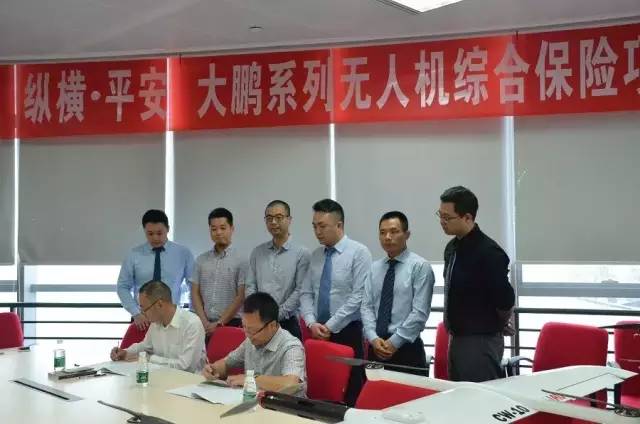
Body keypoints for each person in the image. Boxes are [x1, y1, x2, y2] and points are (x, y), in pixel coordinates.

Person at [438, 186, 515, 382]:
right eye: (440, 215)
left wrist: (499, 323)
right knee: (458, 395)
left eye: (447, 217)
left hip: (480, 340)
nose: (442, 221)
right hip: (456, 337)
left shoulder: (489, 252)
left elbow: (505, 300)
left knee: (479, 396)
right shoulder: (452, 247)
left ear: (467, 217)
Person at [300, 198, 371, 406]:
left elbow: (358, 297)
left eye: (322, 226)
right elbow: (306, 293)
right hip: (317, 332)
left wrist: (329, 326)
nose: (317, 232)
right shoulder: (315, 256)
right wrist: (311, 323)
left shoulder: (359, 253)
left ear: (339, 225)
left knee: (351, 390)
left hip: (347, 331)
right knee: (320, 387)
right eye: (314, 226)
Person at [361, 211, 435, 376]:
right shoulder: (374, 268)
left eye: (394, 231)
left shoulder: (420, 267)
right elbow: (366, 307)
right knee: (376, 392)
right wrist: (373, 338)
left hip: (406, 347)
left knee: (408, 393)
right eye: (382, 232)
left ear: (407, 235)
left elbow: (420, 313)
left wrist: (394, 342)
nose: (387, 237)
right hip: (376, 347)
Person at [202, 292, 306, 396]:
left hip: (284, 404)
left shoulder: (291, 347)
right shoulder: (250, 340)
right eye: (245, 327)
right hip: (254, 402)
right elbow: (227, 363)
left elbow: (291, 384)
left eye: (253, 331)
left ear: (272, 325)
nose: (248, 335)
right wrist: (214, 369)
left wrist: (251, 380)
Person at [117, 209, 195, 331]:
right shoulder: (134, 255)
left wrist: (191, 312)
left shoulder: (183, 253)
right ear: (144, 231)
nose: (155, 238)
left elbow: (193, 286)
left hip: (173, 318)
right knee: (141, 344)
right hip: (142, 319)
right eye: (150, 233)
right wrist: (135, 313)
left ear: (168, 229)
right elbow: (122, 286)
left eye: (159, 233)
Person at [246, 200, 310, 340]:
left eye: (279, 217)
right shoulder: (257, 252)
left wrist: (275, 315)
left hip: (287, 323)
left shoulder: (301, 253)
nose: (273, 222)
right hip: (259, 324)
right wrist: (256, 312)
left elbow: (300, 290)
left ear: (289, 219)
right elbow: (250, 286)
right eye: (269, 218)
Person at [111, 280, 206, 373]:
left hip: (189, 381)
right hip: (161, 377)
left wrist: (149, 359)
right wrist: (125, 352)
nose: (142, 313)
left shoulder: (192, 324)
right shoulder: (155, 323)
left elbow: (186, 367)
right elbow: (145, 346)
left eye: (145, 309)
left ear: (159, 304)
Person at [191, 208, 247, 337]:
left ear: (232, 229)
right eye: (214, 229)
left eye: (223, 228)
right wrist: (204, 322)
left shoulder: (242, 260)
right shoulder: (201, 260)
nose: (218, 232)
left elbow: (241, 296)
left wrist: (220, 323)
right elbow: (195, 292)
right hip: (204, 324)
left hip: (232, 323)